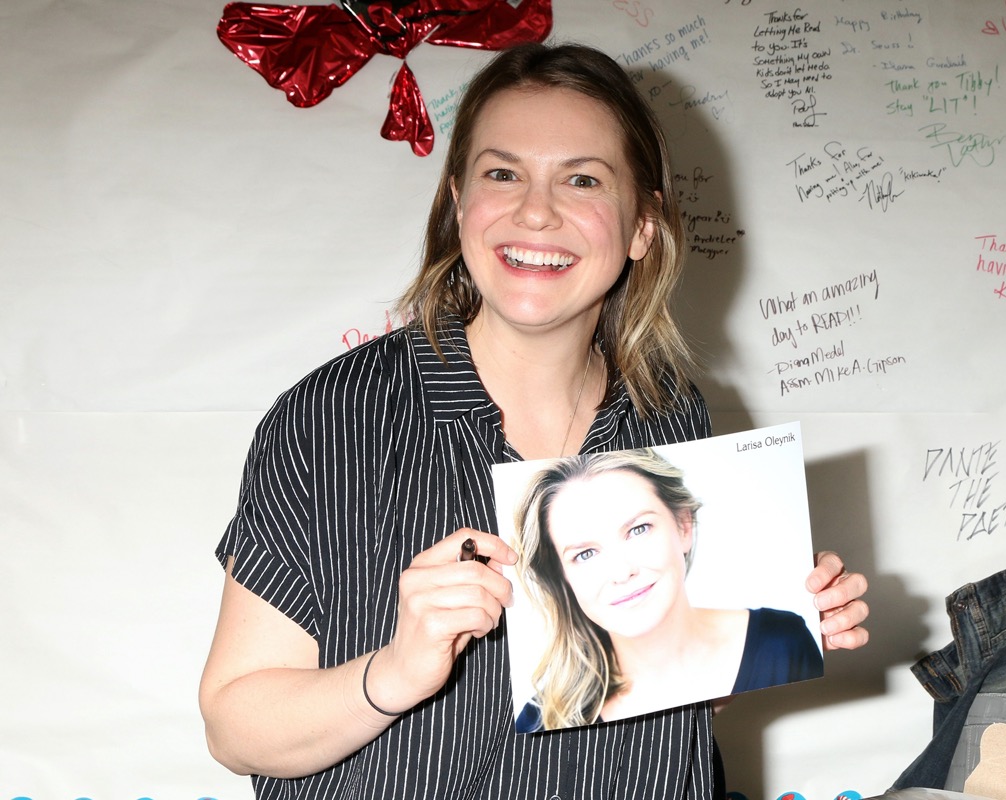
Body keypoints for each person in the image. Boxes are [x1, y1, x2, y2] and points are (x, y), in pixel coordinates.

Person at [198, 41, 869, 800]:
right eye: (503, 173)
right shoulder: (332, 417)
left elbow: (658, 697)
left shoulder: (672, 410)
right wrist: (394, 673)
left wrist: (772, 623)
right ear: (459, 202)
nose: (537, 211)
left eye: (582, 179)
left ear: (642, 227)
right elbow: (234, 728)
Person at [511, 449, 824, 733]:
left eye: (638, 529)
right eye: (585, 554)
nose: (621, 573)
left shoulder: (782, 643)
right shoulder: (540, 721)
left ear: (683, 526)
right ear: (562, 577)